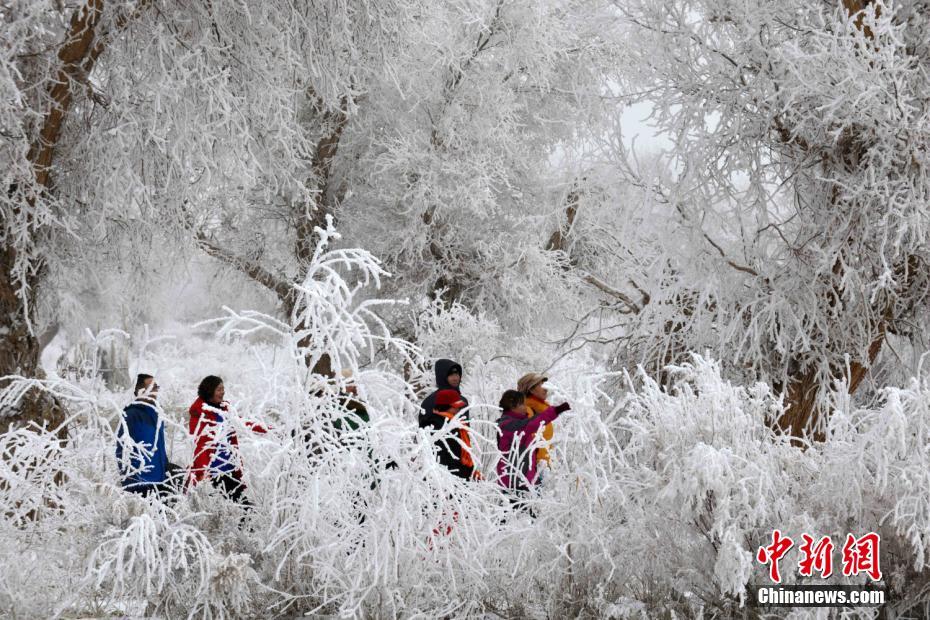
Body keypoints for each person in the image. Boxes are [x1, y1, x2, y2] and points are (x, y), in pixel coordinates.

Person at [187, 375, 266, 504]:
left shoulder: (225, 409)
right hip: (214, 472)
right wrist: (203, 473)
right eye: (219, 389)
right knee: (242, 507)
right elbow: (199, 445)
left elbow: (243, 423)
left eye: (223, 389)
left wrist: (268, 429)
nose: (223, 392)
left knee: (240, 507)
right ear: (209, 390)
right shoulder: (200, 414)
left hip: (230, 467)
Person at [496, 390, 570, 506]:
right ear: (512, 406)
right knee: (515, 520)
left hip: (525, 481)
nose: (526, 407)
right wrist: (556, 410)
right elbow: (532, 424)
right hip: (515, 484)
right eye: (522, 404)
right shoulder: (508, 425)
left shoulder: (515, 423)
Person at [116, 374, 177, 498]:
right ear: (140, 390)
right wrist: (129, 479)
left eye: (156, 387)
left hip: (160, 480)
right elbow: (121, 449)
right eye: (152, 387)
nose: (155, 391)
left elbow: (159, 446)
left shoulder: (157, 413)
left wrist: (166, 468)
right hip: (140, 483)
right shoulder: (131, 414)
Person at [418, 389, 480, 480]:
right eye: (455, 407)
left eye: (459, 407)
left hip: (451, 480)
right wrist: (467, 475)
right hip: (448, 482)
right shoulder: (442, 428)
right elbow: (449, 461)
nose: (458, 410)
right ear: (444, 407)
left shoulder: (450, 424)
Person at [517, 373, 558, 471]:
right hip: (533, 471)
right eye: (541, 385)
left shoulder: (540, 411)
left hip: (544, 468)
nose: (546, 388)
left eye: (545, 384)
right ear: (530, 389)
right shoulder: (526, 411)